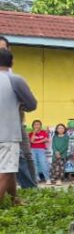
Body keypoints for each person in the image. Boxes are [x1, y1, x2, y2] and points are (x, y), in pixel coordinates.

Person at [0, 48, 36, 206]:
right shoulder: (15, 80)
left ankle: (14, 199)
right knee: (6, 172)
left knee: (10, 169)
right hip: (7, 133)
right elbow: (31, 104)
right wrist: (21, 106)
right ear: (12, 62)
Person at [28, 119, 49, 183]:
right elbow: (31, 141)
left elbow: (45, 139)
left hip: (41, 149)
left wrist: (36, 142)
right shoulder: (31, 133)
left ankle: (47, 178)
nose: (37, 126)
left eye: (38, 124)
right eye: (35, 125)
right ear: (33, 126)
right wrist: (34, 133)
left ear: (40, 125)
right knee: (34, 164)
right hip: (32, 149)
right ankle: (37, 178)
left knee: (43, 163)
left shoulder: (43, 132)